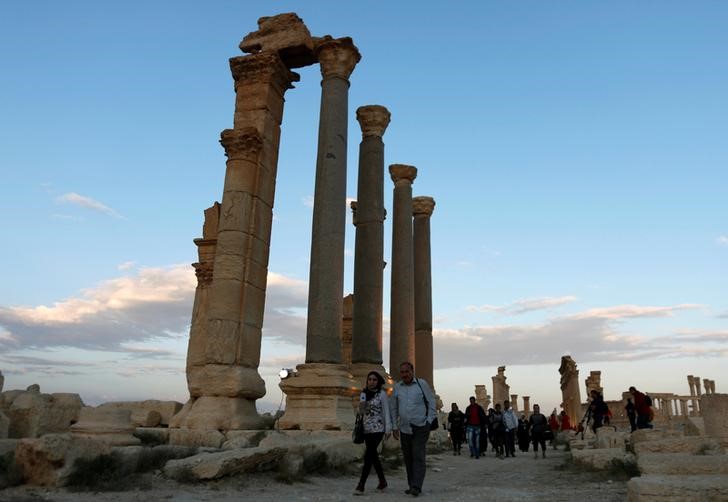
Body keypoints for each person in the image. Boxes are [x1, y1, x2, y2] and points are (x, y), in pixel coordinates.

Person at [391, 362, 436, 497]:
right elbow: (394, 408)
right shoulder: (397, 387)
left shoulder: (422, 384)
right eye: (402, 372)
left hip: (420, 427)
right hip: (404, 428)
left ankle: (416, 486)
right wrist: (394, 426)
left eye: (407, 371)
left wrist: (428, 422)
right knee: (408, 458)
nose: (404, 374)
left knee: (418, 456)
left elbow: (431, 402)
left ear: (412, 371)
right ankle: (411, 485)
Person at [355, 371, 392, 494]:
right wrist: (361, 405)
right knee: (373, 456)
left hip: (378, 429)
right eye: (369, 379)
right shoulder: (364, 393)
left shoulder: (382, 394)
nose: (371, 382)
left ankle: (361, 485)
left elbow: (386, 411)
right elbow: (361, 412)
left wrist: (388, 429)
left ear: (378, 381)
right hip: (366, 429)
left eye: (374, 380)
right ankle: (382, 482)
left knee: (368, 455)